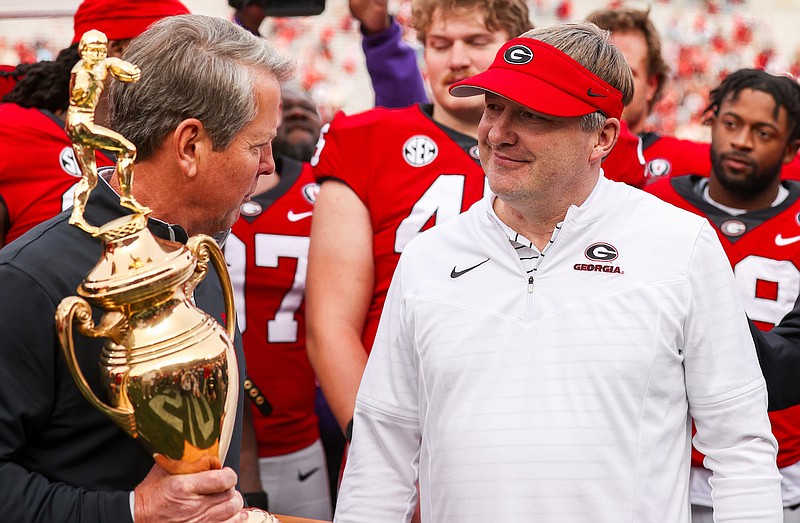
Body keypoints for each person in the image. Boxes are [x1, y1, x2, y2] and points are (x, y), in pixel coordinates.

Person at [334, 22, 782, 523]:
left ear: (602, 138)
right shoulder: (428, 257)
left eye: (532, 114)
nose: (498, 132)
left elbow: (739, 445)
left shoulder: (681, 245)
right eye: (493, 106)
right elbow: (381, 455)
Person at [0, 13, 294, 523]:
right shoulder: (28, 281)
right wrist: (131, 511)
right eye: (257, 145)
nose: (270, 165)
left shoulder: (196, 256)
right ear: (189, 146)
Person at [306, 0, 532, 439]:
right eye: (440, 44)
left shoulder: (557, 148)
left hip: (519, 418)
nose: (458, 58)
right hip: (398, 408)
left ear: (518, 48)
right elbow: (330, 327)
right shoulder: (367, 139)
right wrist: (377, 446)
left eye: (477, 41)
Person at [646, 68, 800, 523]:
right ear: (712, 122)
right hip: (664, 462)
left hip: (776, 464)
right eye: (731, 123)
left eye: (763, 131)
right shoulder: (655, 206)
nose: (742, 141)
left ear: (792, 148)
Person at [0, 0, 191, 248]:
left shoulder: (177, 146)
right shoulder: (13, 130)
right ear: (117, 49)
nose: (187, 68)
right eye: (176, 53)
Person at [226, 85, 333, 519]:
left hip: (297, 434)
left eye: (307, 108)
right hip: (206, 438)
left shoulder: (322, 192)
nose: (295, 116)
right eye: (284, 108)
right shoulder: (203, 187)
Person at [587, 6, 800, 183]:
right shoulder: (561, 144)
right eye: (593, 70)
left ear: (652, 85)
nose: (605, 83)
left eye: (624, 72)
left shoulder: (684, 159)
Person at [65, 29, 148, 235]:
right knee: (127, 150)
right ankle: (127, 198)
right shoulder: (84, 70)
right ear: (83, 50)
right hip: (82, 123)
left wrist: (125, 69)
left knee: (90, 177)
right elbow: (82, 89)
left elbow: (117, 67)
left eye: (100, 49)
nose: (98, 53)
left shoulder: (99, 65)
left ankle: (77, 215)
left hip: (77, 123)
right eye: (93, 48)